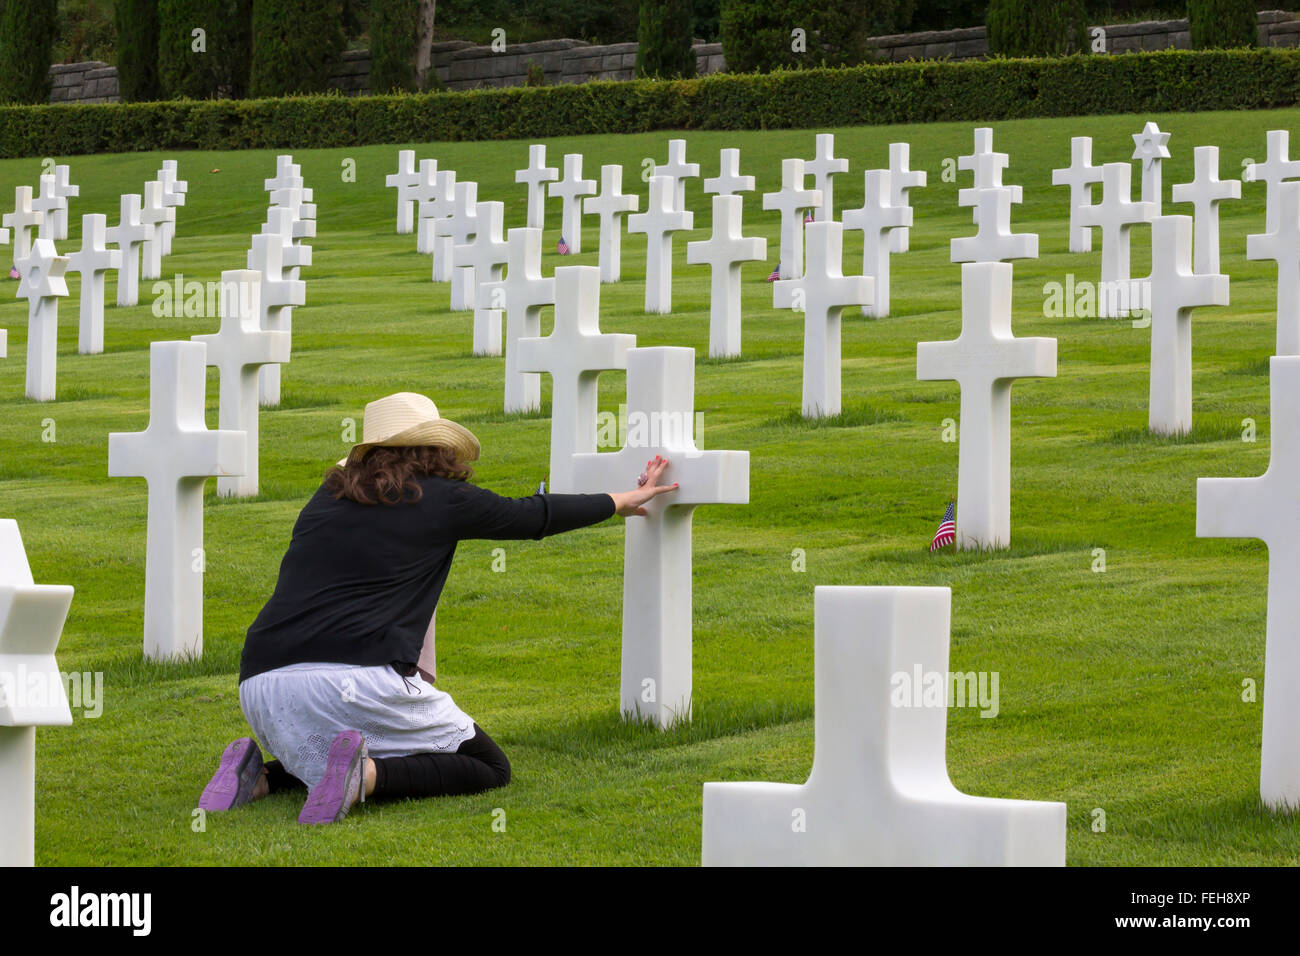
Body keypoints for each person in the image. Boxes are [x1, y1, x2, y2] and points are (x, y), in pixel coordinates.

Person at [198, 392, 677, 824]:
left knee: (349, 738)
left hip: (260, 684)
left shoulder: (324, 500)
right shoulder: (443, 497)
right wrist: (621, 500)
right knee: (487, 766)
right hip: (352, 679)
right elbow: (535, 515)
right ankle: (364, 779)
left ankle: (258, 776)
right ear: (435, 449)